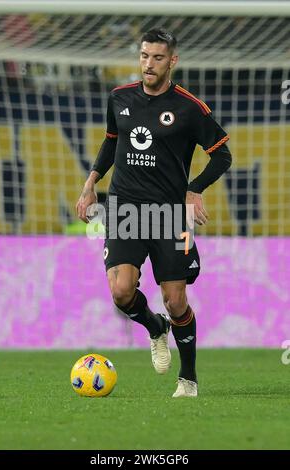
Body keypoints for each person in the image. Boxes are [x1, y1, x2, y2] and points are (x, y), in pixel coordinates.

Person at [76, 29, 232, 397]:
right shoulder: (119, 97)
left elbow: (222, 155)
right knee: (121, 291)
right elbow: (112, 141)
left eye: (157, 58)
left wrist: (194, 189)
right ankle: (155, 327)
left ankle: (188, 378)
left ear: (172, 61)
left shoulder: (191, 108)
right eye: (144, 56)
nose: (149, 64)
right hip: (125, 209)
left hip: (168, 215)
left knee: (176, 301)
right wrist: (91, 181)